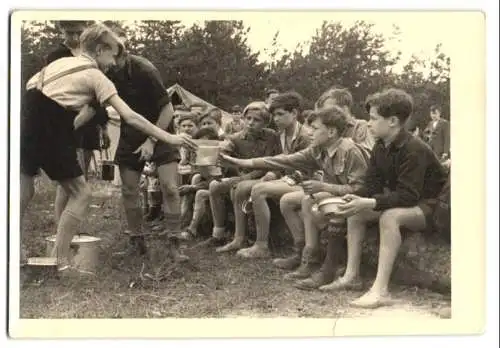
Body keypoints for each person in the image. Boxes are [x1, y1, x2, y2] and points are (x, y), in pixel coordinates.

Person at [21, 23, 196, 273]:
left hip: (28, 114)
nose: (114, 62)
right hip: (52, 121)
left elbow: (37, 92)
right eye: (112, 54)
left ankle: (15, 250)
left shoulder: (57, 65)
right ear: (101, 49)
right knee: (80, 193)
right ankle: (60, 261)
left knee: (24, 188)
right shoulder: (96, 75)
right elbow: (130, 116)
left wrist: (64, 129)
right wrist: (170, 138)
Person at [220, 106, 369, 283]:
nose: (310, 132)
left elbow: (360, 189)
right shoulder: (318, 149)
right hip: (336, 196)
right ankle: (307, 255)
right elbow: (283, 160)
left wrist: (324, 186)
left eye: (315, 128)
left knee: (310, 202)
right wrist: (240, 161)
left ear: (331, 132)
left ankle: (326, 262)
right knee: (303, 200)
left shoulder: (349, 151)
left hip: (358, 200)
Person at [329, 89, 447, 309]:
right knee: (355, 211)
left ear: (393, 121)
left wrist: (371, 202)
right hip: (408, 202)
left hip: (433, 207)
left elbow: (409, 195)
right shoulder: (381, 145)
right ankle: (351, 275)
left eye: (373, 118)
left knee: (390, 217)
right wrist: (354, 197)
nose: (368, 123)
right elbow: (372, 185)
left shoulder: (414, 148)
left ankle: (380, 290)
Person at [105, 27, 191, 261]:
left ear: (123, 53)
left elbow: (168, 109)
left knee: (171, 188)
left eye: (114, 61)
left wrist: (152, 140)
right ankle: (137, 241)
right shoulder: (104, 71)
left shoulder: (145, 69)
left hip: (161, 131)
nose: (109, 66)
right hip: (130, 133)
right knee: (129, 189)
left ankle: (175, 243)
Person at [46, 20, 112, 231]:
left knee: (81, 172)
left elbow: (99, 95)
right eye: (69, 33)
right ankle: (61, 225)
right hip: (65, 120)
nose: (74, 38)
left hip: (89, 120)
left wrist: (104, 127)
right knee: (69, 178)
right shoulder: (57, 55)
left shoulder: (94, 56)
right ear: (61, 31)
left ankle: (72, 222)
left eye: (78, 33)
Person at [226, 92, 311, 257]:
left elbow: (308, 168)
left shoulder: (305, 136)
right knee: (241, 187)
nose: (276, 119)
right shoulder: (281, 134)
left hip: (304, 181)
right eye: (274, 115)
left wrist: (278, 175)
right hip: (285, 179)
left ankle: (261, 245)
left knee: (259, 189)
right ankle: (239, 237)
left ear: (294, 113)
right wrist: (273, 173)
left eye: (280, 114)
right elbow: (277, 162)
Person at [196, 101, 281, 249]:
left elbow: (274, 163)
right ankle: (218, 234)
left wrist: (246, 176)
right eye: (248, 118)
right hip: (245, 177)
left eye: (256, 120)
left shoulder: (272, 137)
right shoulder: (235, 138)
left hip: (267, 176)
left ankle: (240, 238)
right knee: (215, 186)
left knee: (239, 187)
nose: (250, 123)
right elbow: (223, 152)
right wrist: (213, 157)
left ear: (266, 123)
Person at [179, 127, 223, 239]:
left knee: (200, 193)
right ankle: (180, 221)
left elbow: (217, 180)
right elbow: (201, 176)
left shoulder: (220, 156)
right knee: (196, 178)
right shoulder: (202, 157)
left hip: (222, 188)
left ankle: (192, 229)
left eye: (207, 142)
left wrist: (193, 187)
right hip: (211, 185)